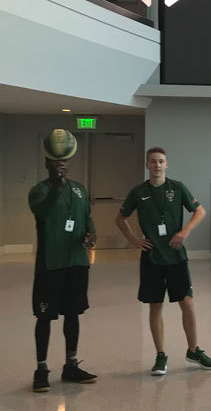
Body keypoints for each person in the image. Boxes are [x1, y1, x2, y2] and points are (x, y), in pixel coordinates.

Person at [115, 146, 211, 375]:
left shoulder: (177, 188)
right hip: (152, 257)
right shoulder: (138, 192)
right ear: (147, 165)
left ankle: (194, 350)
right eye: (153, 162)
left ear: (166, 164)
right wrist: (133, 240)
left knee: (187, 303)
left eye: (161, 161)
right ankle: (161, 355)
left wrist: (185, 231)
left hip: (176, 256)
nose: (157, 165)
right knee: (155, 305)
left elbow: (199, 211)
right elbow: (120, 218)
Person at [28, 129, 97, 393]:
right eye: (57, 162)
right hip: (50, 265)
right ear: (47, 163)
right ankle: (41, 369)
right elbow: (43, 213)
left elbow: (87, 217)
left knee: (73, 314)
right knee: (45, 317)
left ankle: (70, 366)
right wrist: (56, 189)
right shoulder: (39, 191)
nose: (62, 165)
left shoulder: (79, 190)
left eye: (65, 161)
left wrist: (91, 234)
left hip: (77, 263)